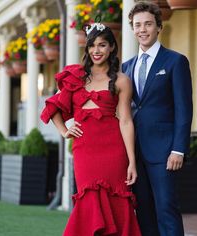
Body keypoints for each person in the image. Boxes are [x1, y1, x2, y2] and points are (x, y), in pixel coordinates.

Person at [40, 23, 141, 236]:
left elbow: (125, 120)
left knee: (116, 203)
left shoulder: (122, 80)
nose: (97, 50)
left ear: (112, 47)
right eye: (92, 46)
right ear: (86, 49)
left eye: (102, 45)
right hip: (85, 150)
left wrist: (132, 161)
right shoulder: (76, 77)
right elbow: (53, 107)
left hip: (114, 150)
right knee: (88, 201)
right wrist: (64, 130)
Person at [122, 1, 193, 236]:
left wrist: (178, 149)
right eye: (138, 25)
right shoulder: (126, 67)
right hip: (134, 153)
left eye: (148, 24)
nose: (142, 29)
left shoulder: (175, 61)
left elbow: (184, 108)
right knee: (143, 212)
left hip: (164, 152)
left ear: (158, 27)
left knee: (166, 209)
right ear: (132, 28)